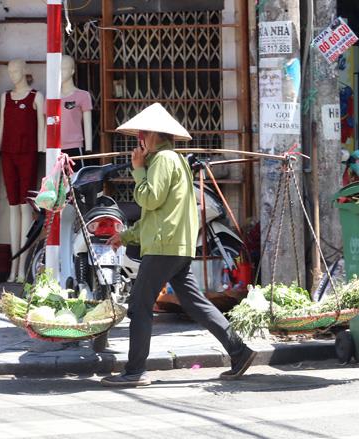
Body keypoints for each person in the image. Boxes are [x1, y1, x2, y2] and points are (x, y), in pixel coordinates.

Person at [101, 103, 256, 388]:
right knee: (195, 304)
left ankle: (135, 371)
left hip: (164, 247)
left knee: (139, 304)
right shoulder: (175, 160)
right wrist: (127, 236)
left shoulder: (163, 161)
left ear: (151, 135)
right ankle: (239, 351)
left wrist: (137, 170)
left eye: (141, 135)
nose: (139, 141)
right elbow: (158, 214)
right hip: (177, 244)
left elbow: (149, 199)